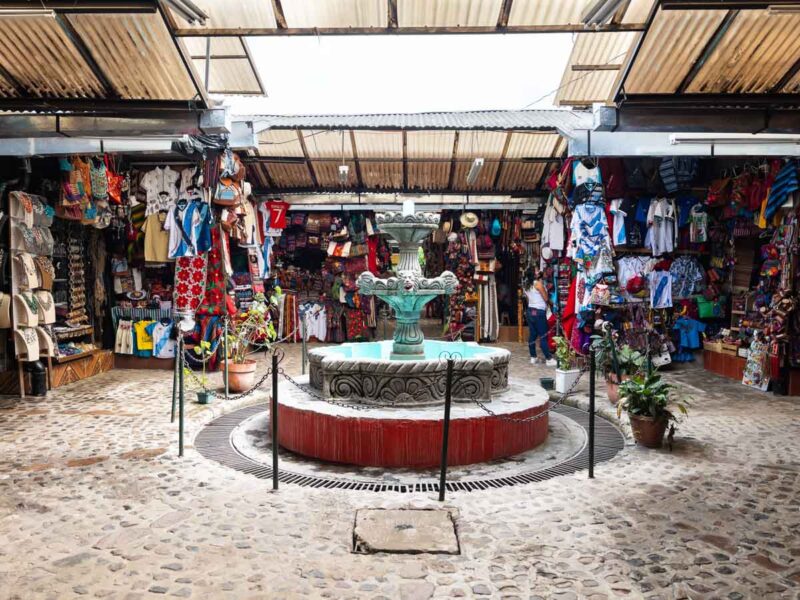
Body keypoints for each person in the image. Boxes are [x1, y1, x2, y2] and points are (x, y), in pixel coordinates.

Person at [523, 268, 556, 366]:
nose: (538, 272)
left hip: (530, 311)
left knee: (533, 334)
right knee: (543, 335)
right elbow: (545, 298)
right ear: (534, 275)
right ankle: (549, 359)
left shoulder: (526, 285)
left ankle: (533, 357)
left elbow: (529, 300)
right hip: (539, 312)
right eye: (536, 271)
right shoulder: (538, 283)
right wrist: (552, 304)